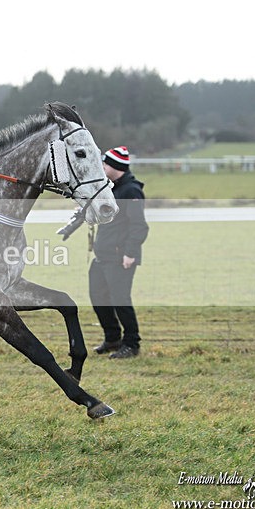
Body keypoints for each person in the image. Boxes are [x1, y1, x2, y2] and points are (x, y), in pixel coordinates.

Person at [89, 146, 149, 359]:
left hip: (120, 257)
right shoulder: (110, 189)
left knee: (120, 299)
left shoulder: (131, 191)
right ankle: (112, 338)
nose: (102, 167)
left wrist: (130, 253)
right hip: (102, 255)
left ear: (116, 167)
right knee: (98, 297)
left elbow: (139, 226)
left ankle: (131, 344)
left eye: (105, 164)